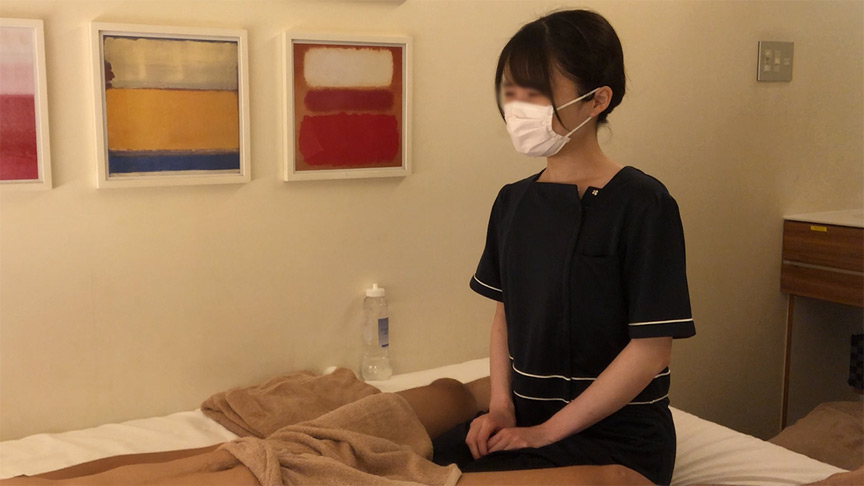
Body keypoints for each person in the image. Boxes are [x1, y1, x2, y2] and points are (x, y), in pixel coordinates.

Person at [430, 8, 696, 486]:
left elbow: (651, 351)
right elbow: (504, 316)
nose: (518, 107)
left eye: (536, 92)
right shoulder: (513, 201)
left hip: (618, 438)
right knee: (409, 465)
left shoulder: (643, 204)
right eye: (512, 91)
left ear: (597, 100)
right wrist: (501, 409)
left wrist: (546, 433)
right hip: (523, 418)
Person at [1, 378, 651, 485]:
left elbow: (204, 452)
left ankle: (540, 390)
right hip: (298, 473)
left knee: (449, 395)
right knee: (617, 480)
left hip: (282, 451)